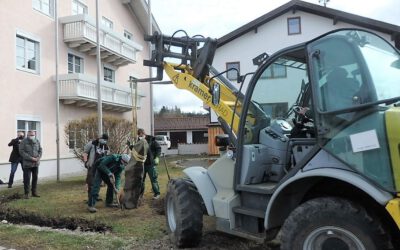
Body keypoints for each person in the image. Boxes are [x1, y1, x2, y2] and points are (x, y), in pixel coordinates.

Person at [83, 133, 109, 201]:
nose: (105, 141)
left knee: (97, 183)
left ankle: (95, 196)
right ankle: (90, 198)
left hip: (100, 167)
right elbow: (85, 152)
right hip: (92, 166)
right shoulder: (92, 143)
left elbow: (106, 155)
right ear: (100, 138)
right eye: (104, 139)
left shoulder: (105, 146)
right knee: (91, 182)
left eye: (106, 140)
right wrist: (85, 162)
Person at [139, 129, 161, 200]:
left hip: (151, 163)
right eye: (139, 135)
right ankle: (140, 195)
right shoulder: (139, 141)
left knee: (153, 179)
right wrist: (130, 147)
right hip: (142, 164)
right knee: (141, 180)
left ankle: (157, 193)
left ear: (143, 133)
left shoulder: (152, 140)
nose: (139, 136)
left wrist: (157, 157)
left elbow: (158, 148)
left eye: (140, 135)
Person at [19, 131, 42, 199]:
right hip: (27, 164)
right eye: (30, 135)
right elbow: (21, 152)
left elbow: (40, 150)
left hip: (36, 163)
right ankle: (26, 194)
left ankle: (34, 192)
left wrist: (38, 157)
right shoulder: (23, 141)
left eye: (33, 135)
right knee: (27, 179)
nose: (32, 136)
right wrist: (31, 158)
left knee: (35, 178)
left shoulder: (37, 141)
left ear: (35, 135)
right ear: (27, 135)